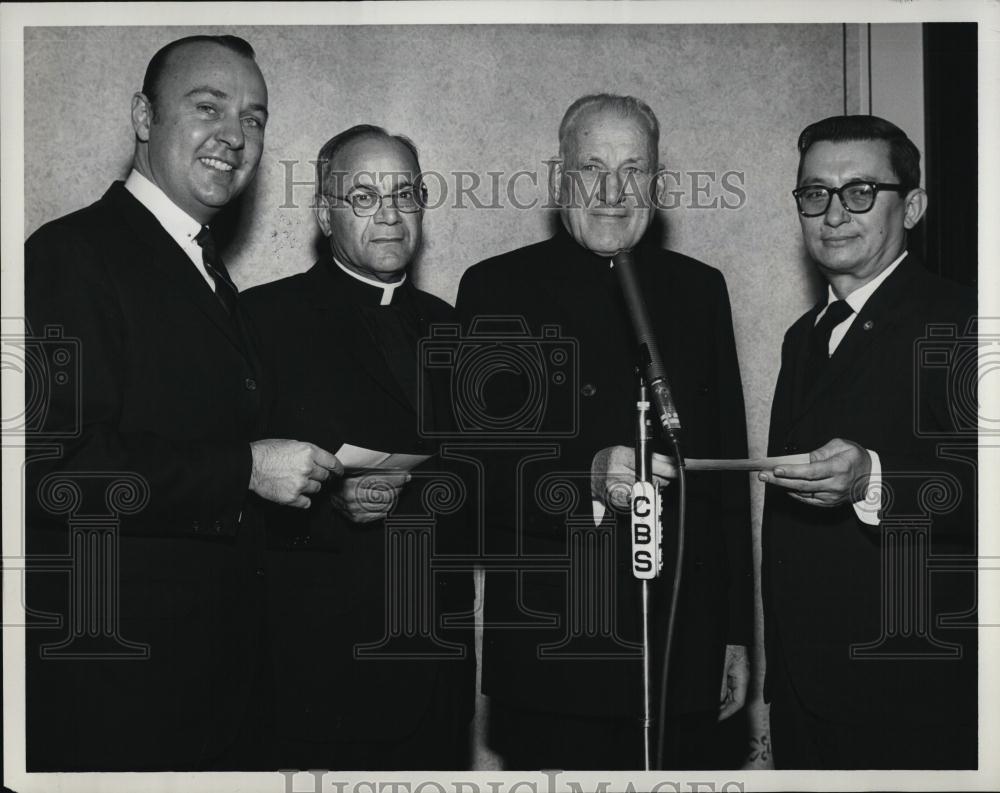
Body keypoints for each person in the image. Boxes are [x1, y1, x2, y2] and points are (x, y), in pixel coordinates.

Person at [24, 35, 341, 772]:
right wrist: (245, 472)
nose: (235, 135)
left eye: (255, 118)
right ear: (143, 115)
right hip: (119, 691)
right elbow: (53, 467)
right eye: (208, 108)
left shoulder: (203, 268)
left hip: (209, 688)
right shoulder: (72, 255)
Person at [454, 94, 753, 769]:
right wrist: (585, 476)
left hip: (680, 644)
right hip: (556, 652)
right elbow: (474, 471)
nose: (613, 191)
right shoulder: (497, 288)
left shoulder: (701, 288)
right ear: (561, 179)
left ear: (658, 182)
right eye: (591, 169)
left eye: (633, 169)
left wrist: (737, 633)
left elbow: (724, 472)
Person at [242, 125, 475, 769]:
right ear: (325, 212)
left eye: (405, 193)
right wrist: (327, 500)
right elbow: (229, 483)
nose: (391, 214)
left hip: (436, 665)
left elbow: (483, 480)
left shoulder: (452, 324)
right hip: (318, 668)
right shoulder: (263, 318)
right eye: (364, 196)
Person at [758, 115, 977, 769]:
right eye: (814, 193)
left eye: (859, 192)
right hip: (804, 698)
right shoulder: (803, 336)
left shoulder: (965, 318)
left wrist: (873, 480)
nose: (832, 214)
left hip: (911, 697)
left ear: (911, 206)